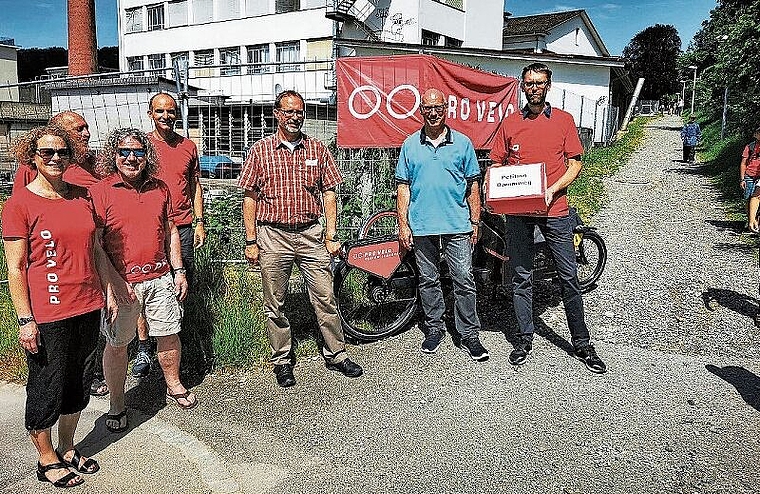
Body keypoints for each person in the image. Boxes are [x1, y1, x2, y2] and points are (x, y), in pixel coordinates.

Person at [2, 125, 116, 488]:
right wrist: (25, 319)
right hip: (48, 312)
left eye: (62, 152)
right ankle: (45, 456)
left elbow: (97, 249)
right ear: (32, 157)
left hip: (88, 304)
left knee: (79, 382)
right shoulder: (19, 204)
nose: (55, 158)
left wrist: (109, 290)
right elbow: (16, 267)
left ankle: (67, 447)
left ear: (70, 156)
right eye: (46, 152)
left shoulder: (83, 196)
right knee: (46, 385)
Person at [488, 62, 607, 374]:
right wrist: (501, 187)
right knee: (521, 276)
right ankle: (523, 339)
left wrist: (553, 189)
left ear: (548, 86)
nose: (534, 88)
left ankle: (582, 343)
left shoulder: (564, 121)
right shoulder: (511, 122)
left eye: (539, 83)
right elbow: (496, 163)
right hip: (519, 215)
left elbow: (575, 164)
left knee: (568, 276)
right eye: (529, 83)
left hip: (555, 211)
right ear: (523, 86)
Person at [239, 89, 363, 387]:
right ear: (276, 114)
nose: (294, 117)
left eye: (299, 112)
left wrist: (332, 234)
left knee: (325, 296)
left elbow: (330, 192)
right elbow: (249, 197)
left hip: (311, 234)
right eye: (289, 111)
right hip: (273, 236)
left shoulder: (317, 149)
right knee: (275, 302)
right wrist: (251, 240)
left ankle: (337, 353)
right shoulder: (261, 150)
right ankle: (281, 359)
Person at [90, 128, 198, 433]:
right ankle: (117, 403)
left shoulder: (160, 188)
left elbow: (172, 231)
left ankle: (173, 384)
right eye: (124, 151)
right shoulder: (101, 191)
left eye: (138, 151)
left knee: (169, 334)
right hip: (123, 284)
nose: (131, 157)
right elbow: (96, 244)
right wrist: (112, 284)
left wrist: (178, 270)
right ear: (113, 156)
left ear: (146, 156)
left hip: (161, 277)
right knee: (118, 343)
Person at [395, 87, 488, 361]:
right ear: (421, 111)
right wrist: (403, 224)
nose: (433, 113)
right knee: (428, 279)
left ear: (445, 109)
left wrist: (475, 220)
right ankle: (434, 328)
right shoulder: (410, 145)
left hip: (457, 224)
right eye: (428, 108)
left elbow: (473, 184)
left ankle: (470, 335)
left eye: (438, 108)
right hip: (422, 225)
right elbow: (403, 187)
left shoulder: (463, 143)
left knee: (464, 280)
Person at [131, 92, 207, 379]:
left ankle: (174, 344)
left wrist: (200, 221)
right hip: (149, 227)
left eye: (171, 111)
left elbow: (195, 186)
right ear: (151, 113)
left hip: (184, 225)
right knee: (142, 285)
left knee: (179, 286)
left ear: (177, 114)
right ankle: (143, 347)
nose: (166, 116)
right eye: (160, 111)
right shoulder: (141, 147)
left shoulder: (188, 146)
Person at [740, 125, 760, 232]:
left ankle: (754, 221)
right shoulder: (750, 147)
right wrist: (742, 179)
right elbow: (743, 163)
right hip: (749, 176)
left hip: (759, 176)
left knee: (756, 198)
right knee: (748, 197)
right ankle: (750, 220)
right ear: (756, 135)